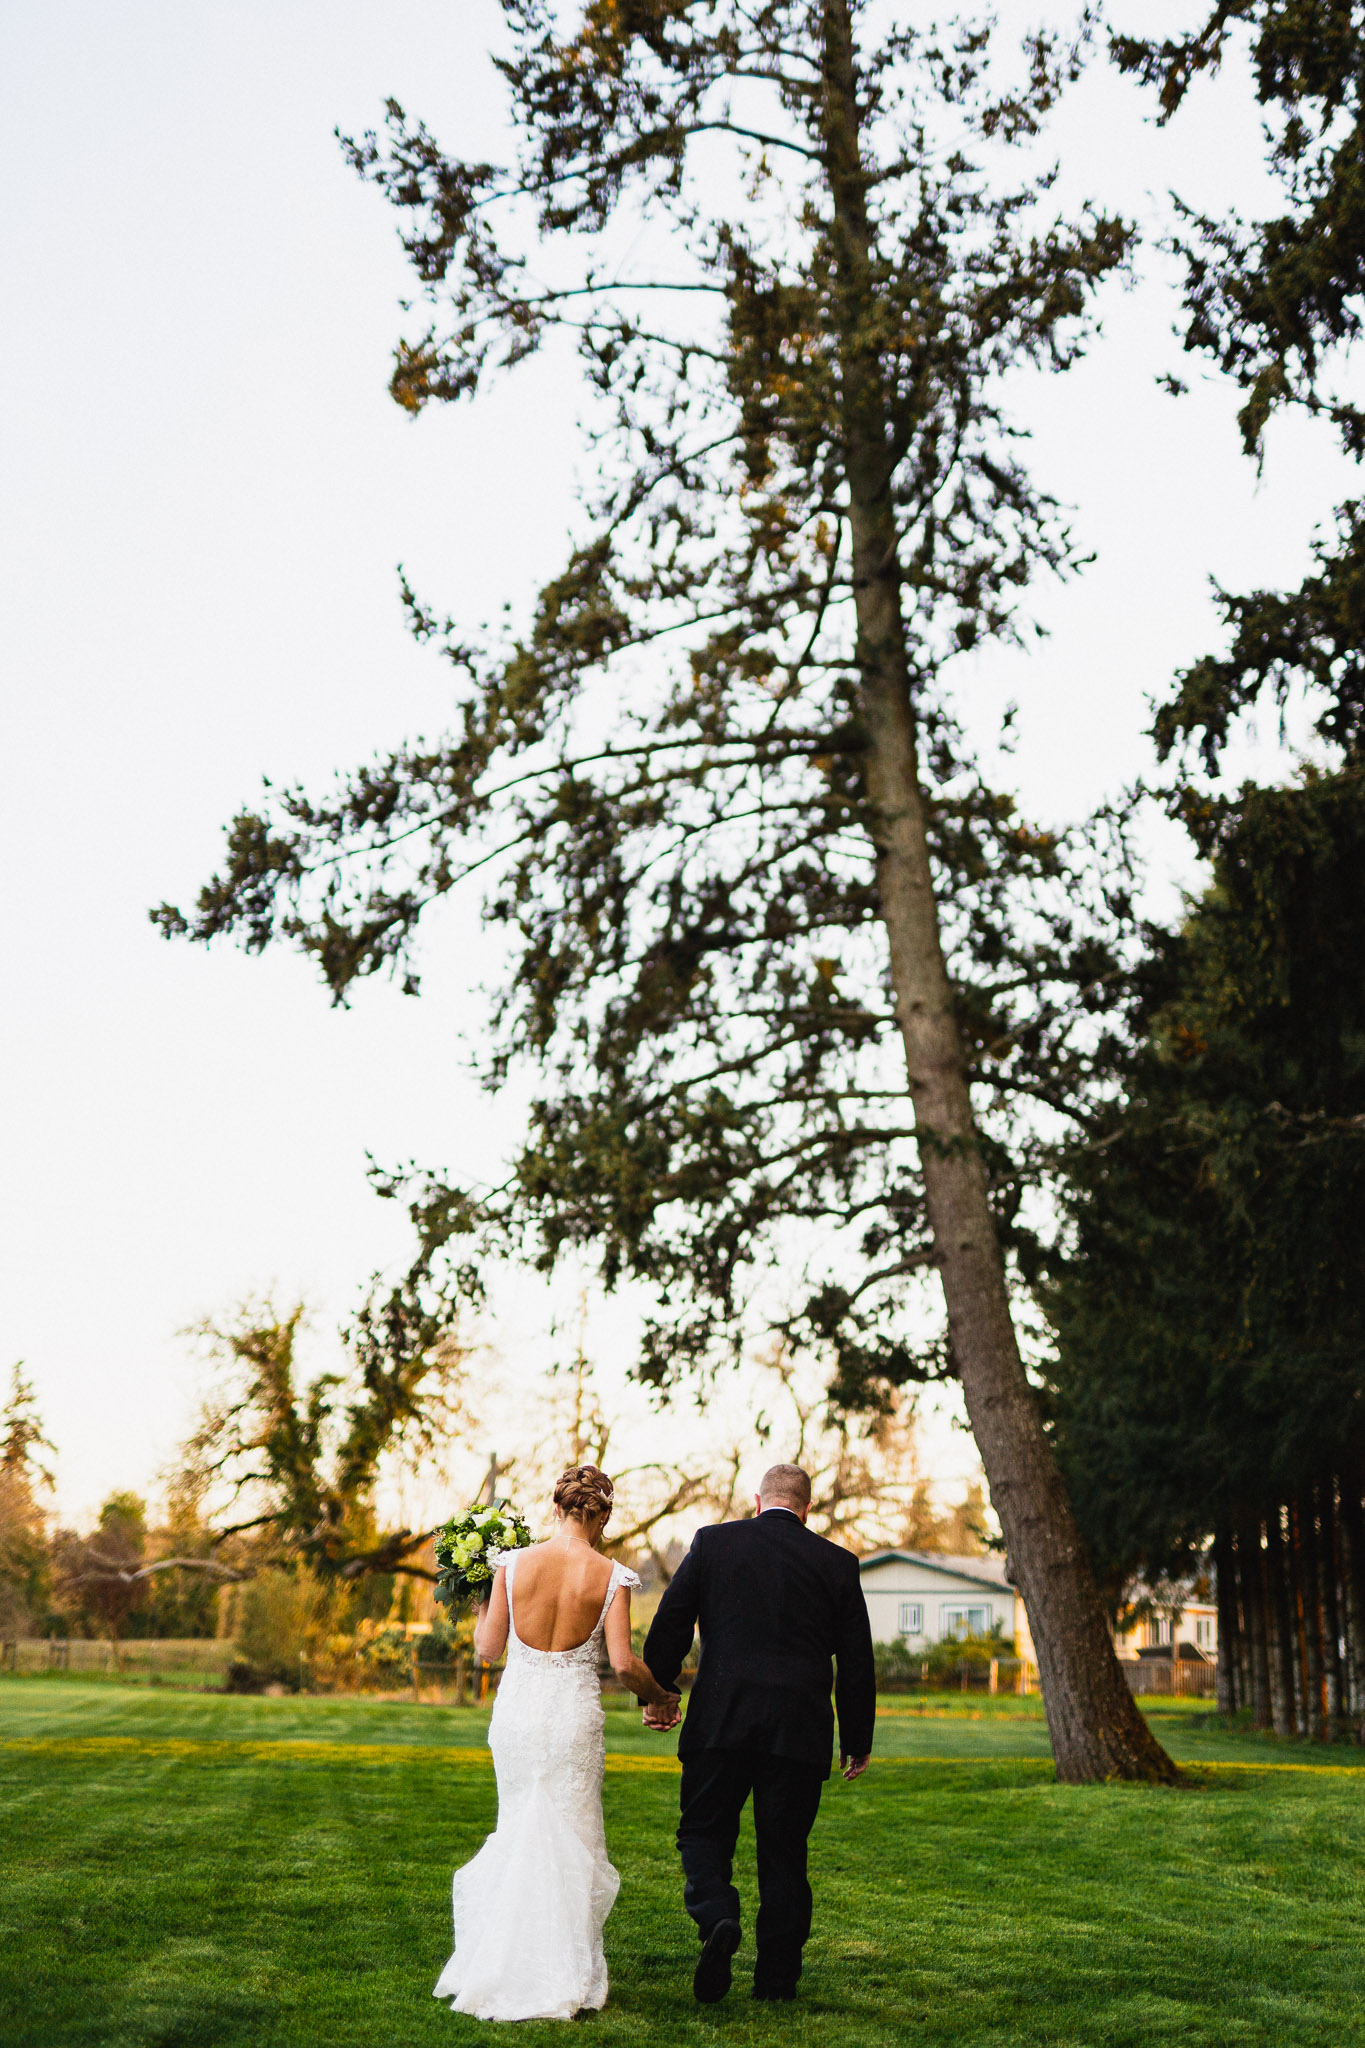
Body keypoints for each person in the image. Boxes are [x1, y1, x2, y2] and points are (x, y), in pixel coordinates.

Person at [432, 1464, 680, 2022]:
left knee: (519, 1827)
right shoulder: (612, 1576)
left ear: (557, 1509)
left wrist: (482, 1598)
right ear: (602, 1516)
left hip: (517, 1717)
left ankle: (500, 1965)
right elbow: (623, 1664)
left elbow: (487, 1650)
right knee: (573, 1840)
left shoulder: (511, 1564)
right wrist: (661, 1698)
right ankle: (564, 1974)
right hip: (571, 1717)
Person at [641, 1462, 876, 2005]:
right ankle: (775, 1982)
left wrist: (659, 1691)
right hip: (799, 1730)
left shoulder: (713, 1543)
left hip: (721, 1719)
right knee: (785, 1852)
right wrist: (856, 1739)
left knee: (703, 1833)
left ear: (757, 1501)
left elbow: (672, 1621)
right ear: (806, 1508)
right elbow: (857, 1661)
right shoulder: (838, 1563)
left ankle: (718, 1915)